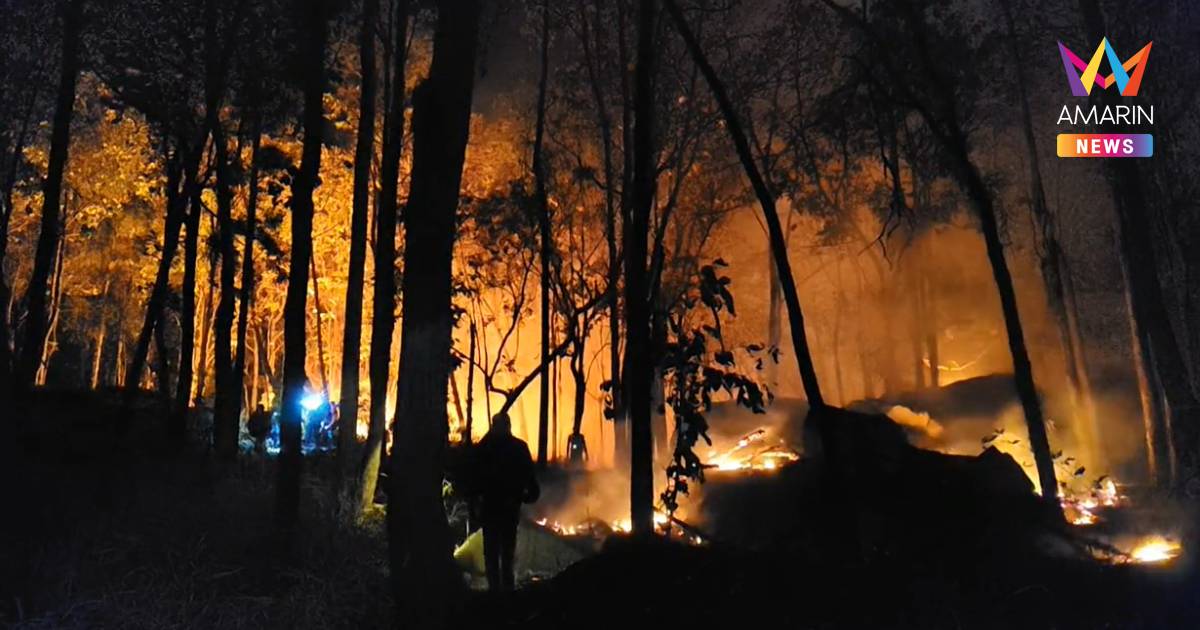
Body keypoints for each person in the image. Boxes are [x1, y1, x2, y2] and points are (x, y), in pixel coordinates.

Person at [471, 412, 539, 593]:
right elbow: (530, 479)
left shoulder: (486, 447)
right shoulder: (518, 447)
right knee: (505, 553)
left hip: (493, 508)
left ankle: (497, 591)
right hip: (507, 507)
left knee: (494, 554)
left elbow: (474, 477)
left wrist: (475, 504)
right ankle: (506, 592)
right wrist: (527, 496)